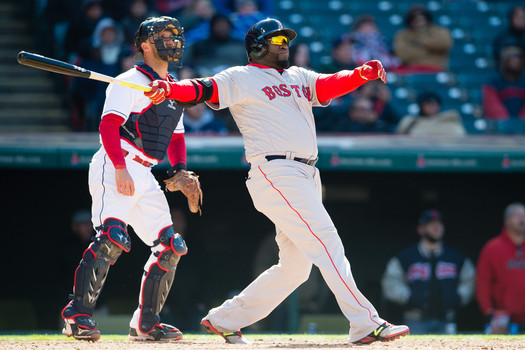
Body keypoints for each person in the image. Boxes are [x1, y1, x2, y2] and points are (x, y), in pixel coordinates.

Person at [144, 17, 409, 345]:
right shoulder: (241, 76)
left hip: (307, 174)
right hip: (276, 171)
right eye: (277, 41)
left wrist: (359, 74)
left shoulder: (298, 75)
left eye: (286, 40)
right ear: (257, 46)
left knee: (297, 268)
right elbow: (202, 89)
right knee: (327, 241)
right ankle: (364, 322)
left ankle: (225, 318)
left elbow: (328, 84)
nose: (285, 45)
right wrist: (170, 88)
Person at [60, 16, 201, 342]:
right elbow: (108, 127)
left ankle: (146, 322)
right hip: (116, 161)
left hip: (147, 171)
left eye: (174, 35)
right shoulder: (127, 80)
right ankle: (76, 314)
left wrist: (179, 170)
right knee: (112, 237)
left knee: (171, 245)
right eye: (163, 36)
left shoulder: (174, 88)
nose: (172, 40)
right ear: (145, 45)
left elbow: (176, 138)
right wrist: (121, 168)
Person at [381, 209, 476, 334]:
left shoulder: (455, 257)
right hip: (415, 319)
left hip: (447, 319)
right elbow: (390, 282)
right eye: (431, 224)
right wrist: (407, 296)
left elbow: (471, 280)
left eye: (440, 224)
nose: (437, 227)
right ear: (421, 229)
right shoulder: (406, 257)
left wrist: (459, 296)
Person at [476, 202, 525, 334]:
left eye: (524, 216)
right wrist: (488, 311)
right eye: (517, 216)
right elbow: (483, 281)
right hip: (503, 321)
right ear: (507, 221)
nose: (522, 219)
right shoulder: (492, 248)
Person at [392, 4, 453, 73]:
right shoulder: (402, 34)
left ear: (427, 17)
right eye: (414, 17)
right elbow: (401, 55)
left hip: (437, 68)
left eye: (422, 16)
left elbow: (445, 44)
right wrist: (431, 51)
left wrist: (418, 43)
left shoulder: (439, 31)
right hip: (412, 69)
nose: (418, 20)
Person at [482, 46, 525, 134]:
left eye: (520, 58)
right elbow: (492, 106)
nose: (517, 61)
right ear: (505, 60)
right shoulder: (493, 81)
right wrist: (506, 125)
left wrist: (521, 124)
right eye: (513, 57)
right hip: (500, 132)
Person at [396, 91, 466, 135]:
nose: (432, 107)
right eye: (428, 104)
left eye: (435, 104)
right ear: (421, 106)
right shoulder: (409, 121)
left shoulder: (449, 122)